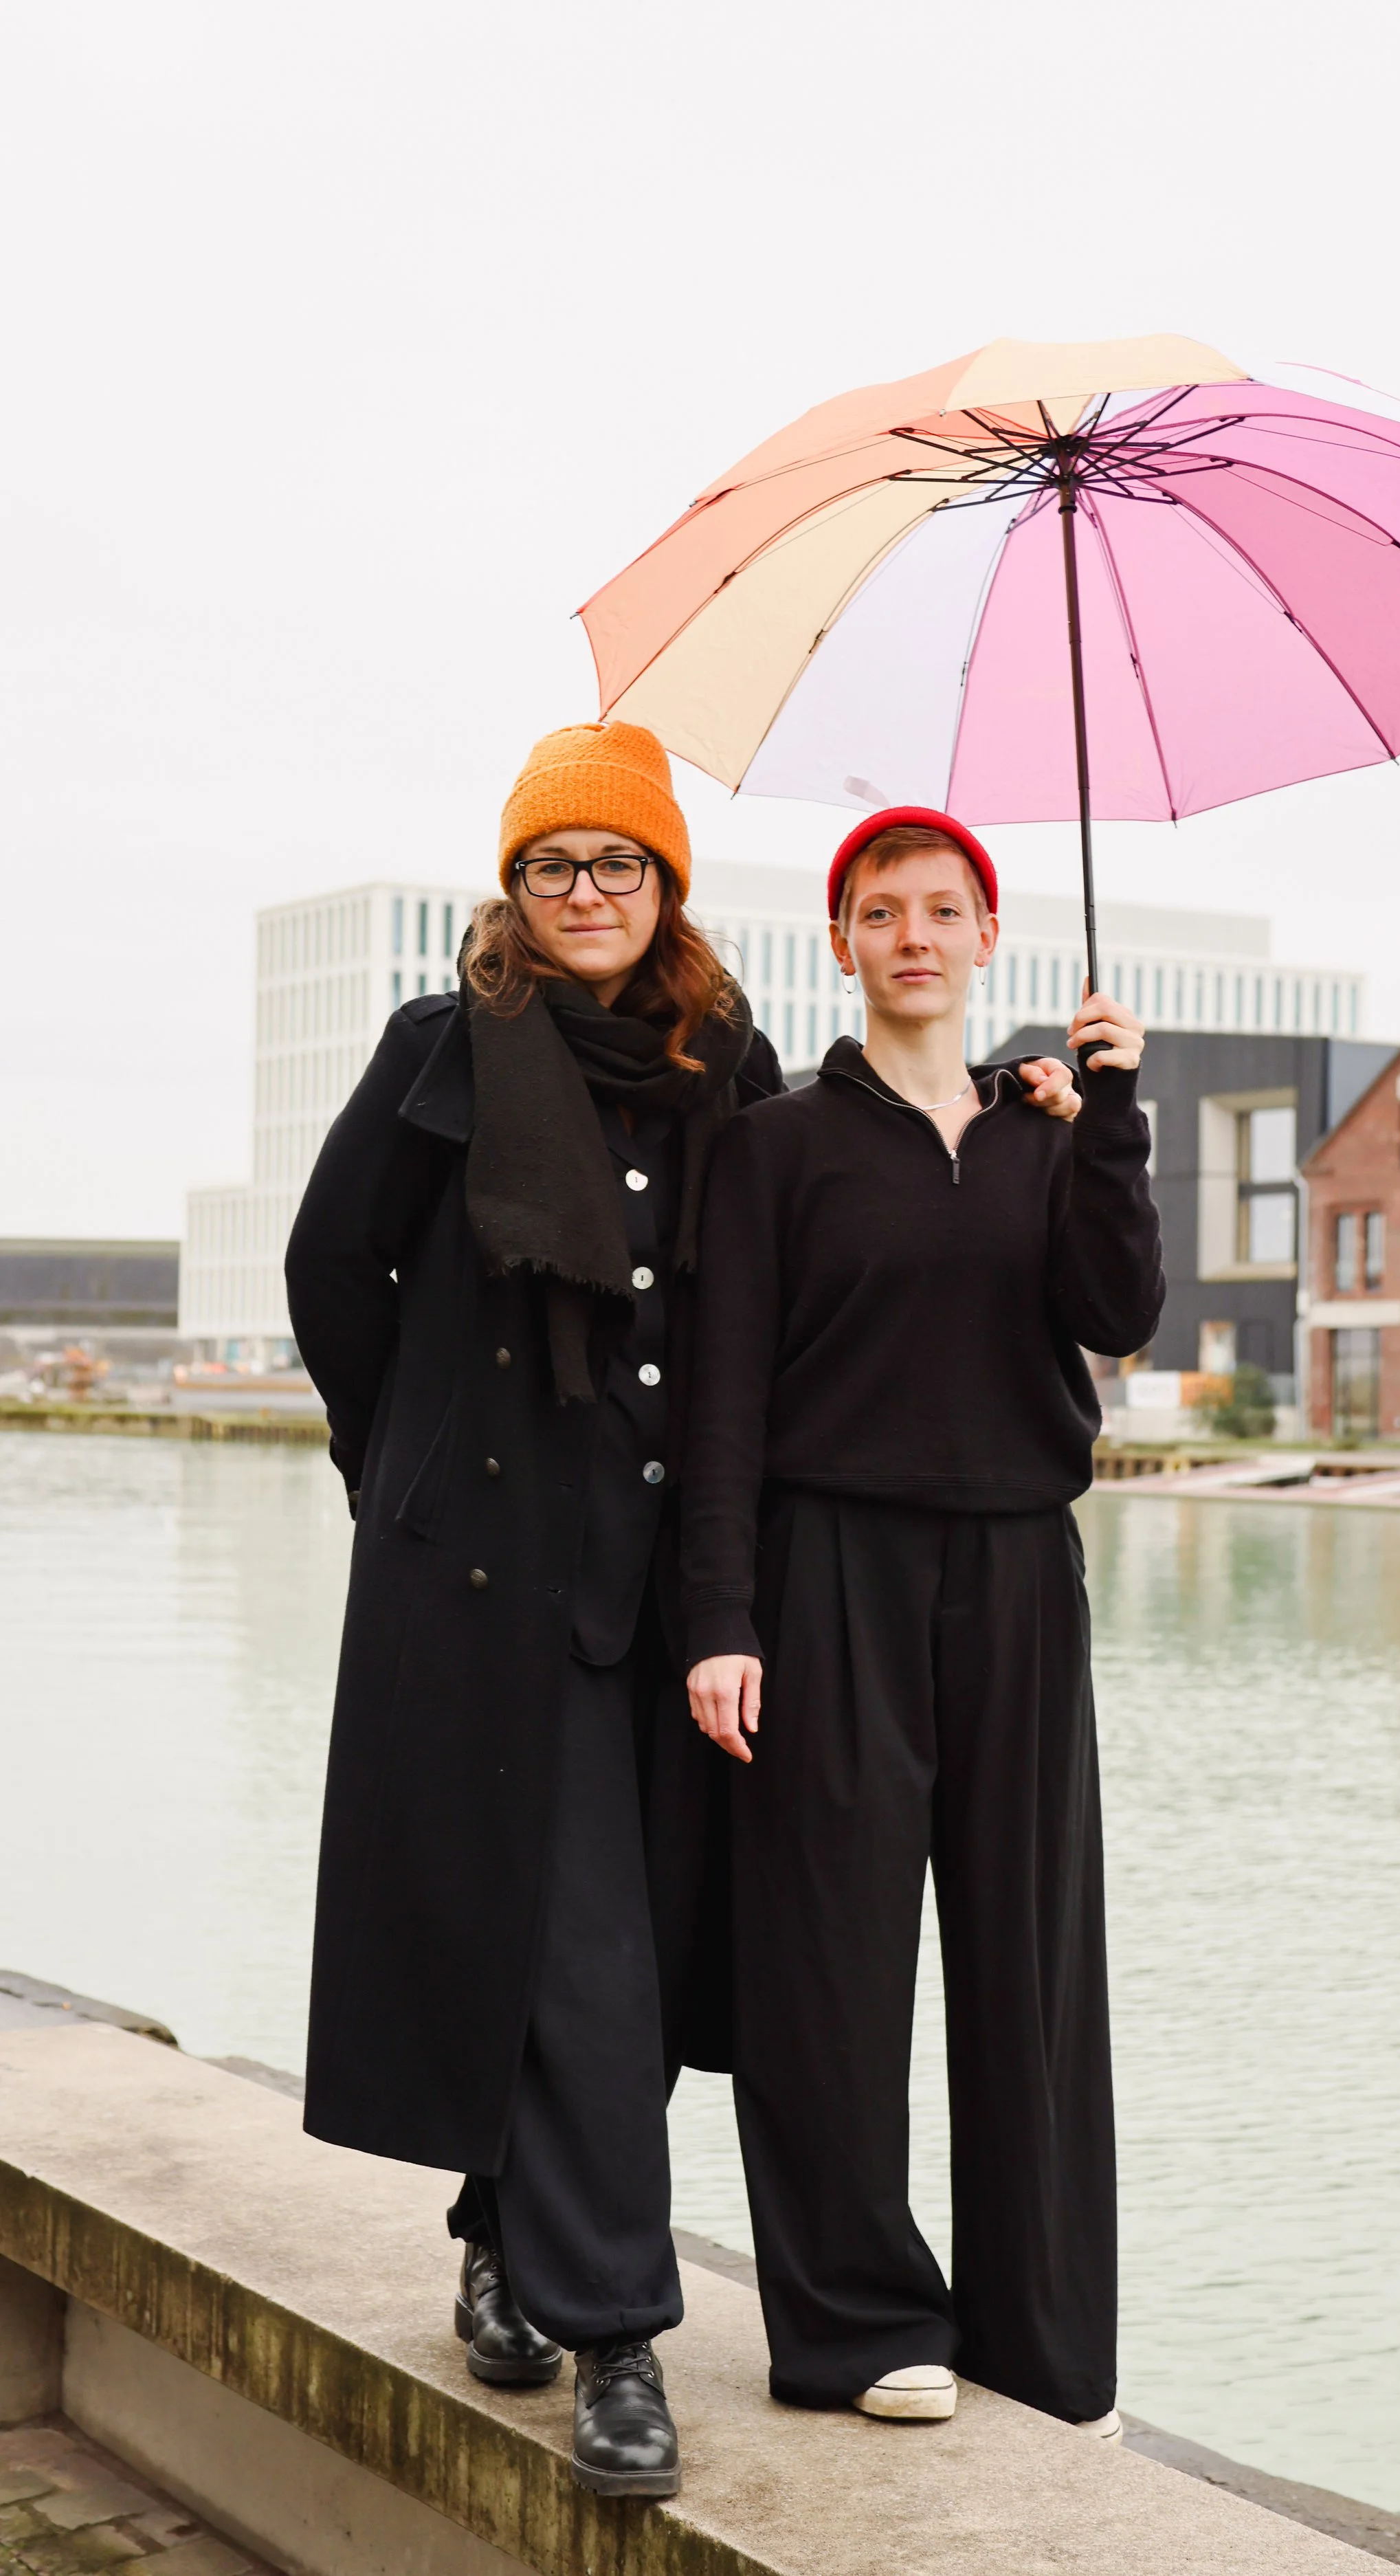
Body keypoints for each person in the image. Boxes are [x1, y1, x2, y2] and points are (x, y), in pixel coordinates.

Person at [285, 721, 781, 2499]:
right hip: (478, 1583)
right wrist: (394, 1464)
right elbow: (331, 1266)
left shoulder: (725, 1060)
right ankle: (617, 2335)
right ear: (517, 887)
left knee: (613, 1957)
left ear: (663, 889)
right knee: (575, 1943)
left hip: (666, 1585)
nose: (586, 892)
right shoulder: (445, 1046)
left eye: (618, 864)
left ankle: (501, 2230)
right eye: (555, 864)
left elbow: (777, 1293)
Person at [681, 808, 1164, 2435]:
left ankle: (1034, 2333)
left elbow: (1114, 1312)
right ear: (839, 944)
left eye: (941, 910)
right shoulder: (778, 1145)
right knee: (828, 1957)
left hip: (1022, 1568)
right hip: (829, 1571)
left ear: (984, 934)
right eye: (879, 910)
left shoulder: (1047, 1128)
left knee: (1031, 1956)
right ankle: (856, 2322)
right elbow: (728, 1399)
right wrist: (720, 1617)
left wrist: (1109, 1110)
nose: (912, 934)